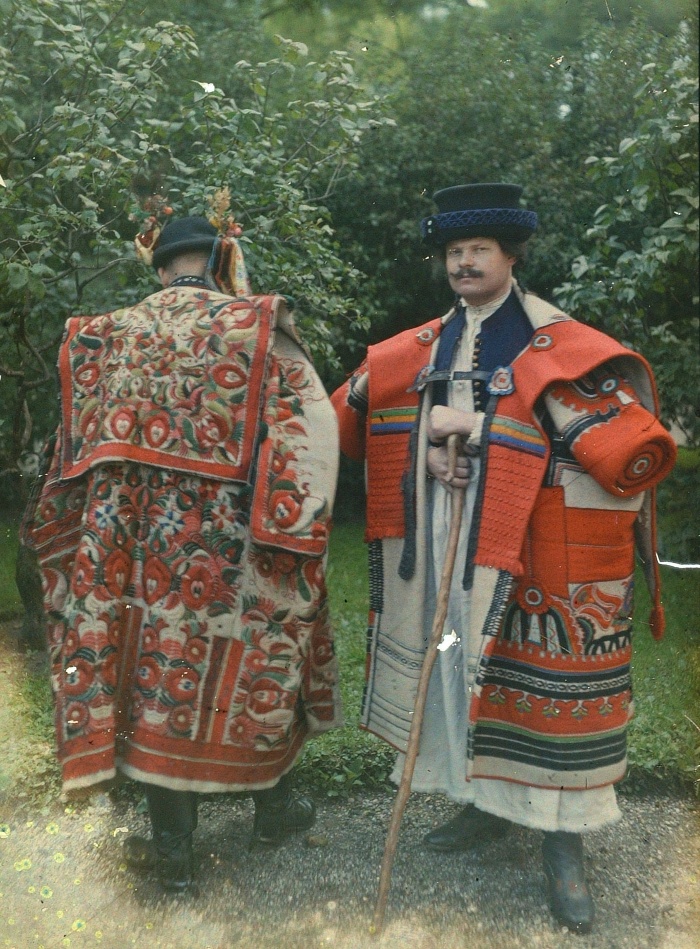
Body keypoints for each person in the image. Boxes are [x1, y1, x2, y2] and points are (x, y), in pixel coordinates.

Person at [331, 183, 677, 933]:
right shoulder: (420, 347)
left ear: (510, 256)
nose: (462, 263)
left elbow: (618, 453)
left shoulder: (561, 345)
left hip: (537, 545)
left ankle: (562, 846)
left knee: (554, 690)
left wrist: (480, 430)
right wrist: (428, 443)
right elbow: (344, 423)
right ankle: (484, 805)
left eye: (476, 250)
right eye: (453, 253)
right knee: (458, 666)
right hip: (450, 539)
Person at [21, 211, 341, 892]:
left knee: (152, 680)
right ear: (218, 258)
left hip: (132, 551)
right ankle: (274, 808)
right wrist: (291, 520)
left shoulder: (104, 336)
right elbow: (312, 424)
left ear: (161, 266)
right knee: (261, 658)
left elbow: (69, 448)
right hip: (234, 546)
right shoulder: (254, 324)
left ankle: (174, 853)